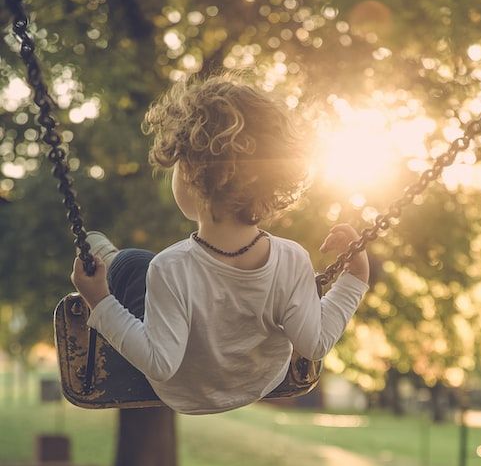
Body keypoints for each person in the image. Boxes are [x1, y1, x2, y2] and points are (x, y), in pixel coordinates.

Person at [71, 73, 370, 415]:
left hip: (185, 391)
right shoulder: (292, 259)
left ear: (192, 173)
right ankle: (110, 259)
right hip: (260, 381)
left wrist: (99, 301)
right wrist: (354, 280)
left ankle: (108, 260)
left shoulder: (169, 268)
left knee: (132, 264)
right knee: (144, 268)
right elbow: (315, 343)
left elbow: (159, 363)